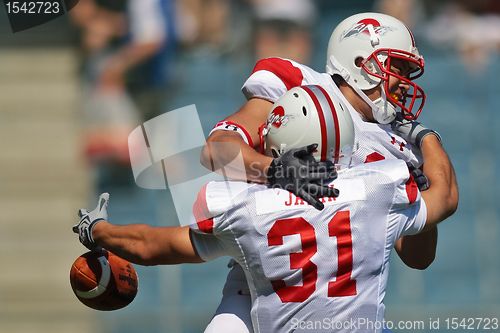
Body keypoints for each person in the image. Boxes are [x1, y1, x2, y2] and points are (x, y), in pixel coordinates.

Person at [73, 86, 458, 333]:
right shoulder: (378, 187)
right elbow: (445, 198)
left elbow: (152, 246)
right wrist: (424, 137)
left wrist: (100, 231)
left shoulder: (246, 208)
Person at [198, 12, 457, 332]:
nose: (404, 84)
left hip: (344, 301)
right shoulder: (301, 86)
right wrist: (276, 171)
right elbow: (217, 151)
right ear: (364, 62)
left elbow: (418, 258)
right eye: (398, 68)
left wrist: (420, 193)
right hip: (262, 284)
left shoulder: (400, 145)